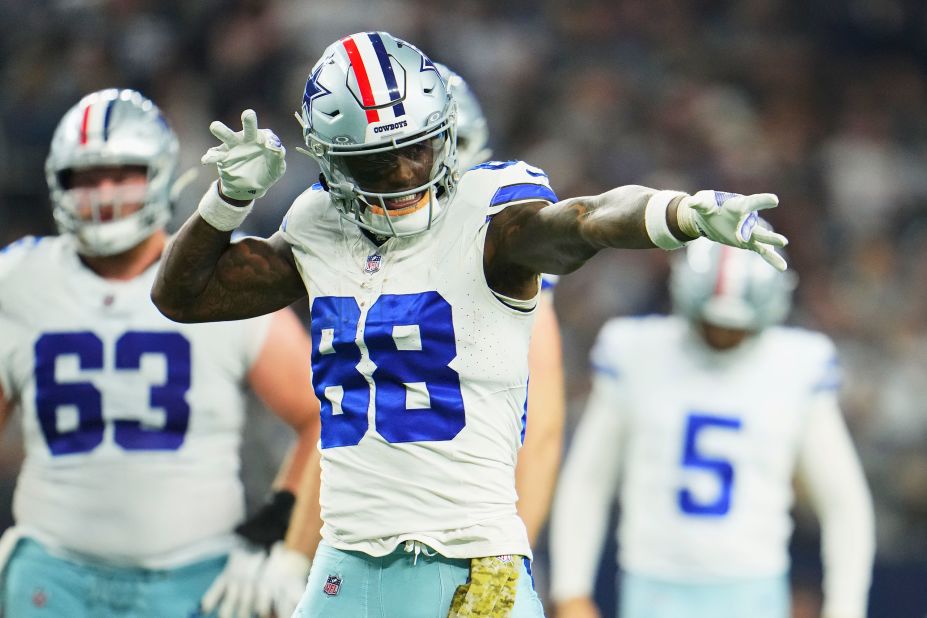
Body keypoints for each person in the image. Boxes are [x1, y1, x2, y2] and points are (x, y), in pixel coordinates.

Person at [151, 31, 788, 617]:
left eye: (417, 149)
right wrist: (226, 202)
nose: (405, 177)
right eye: (379, 161)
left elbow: (588, 218)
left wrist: (682, 211)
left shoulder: (490, 221)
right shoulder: (320, 227)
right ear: (331, 159)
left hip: (470, 562)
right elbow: (182, 297)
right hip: (345, 560)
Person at [248, 62, 571, 618]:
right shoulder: (347, 254)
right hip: (367, 553)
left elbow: (538, 438)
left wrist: (503, 565)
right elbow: (346, 436)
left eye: (431, 145)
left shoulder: (500, 253)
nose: (407, 170)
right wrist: (296, 555)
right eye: (383, 154)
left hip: (461, 547)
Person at [0, 88, 320, 618]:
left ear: (159, 174)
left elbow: (323, 412)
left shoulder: (217, 278)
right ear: (58, 181)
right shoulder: (18, 280)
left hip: (196, 577)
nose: (104, 192)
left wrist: (281, 536)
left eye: (121, 172)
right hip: (51, 576)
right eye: (87, 176)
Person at [548, 240, 875, 618]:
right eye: (712, 323)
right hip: (653, 581)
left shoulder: (797, 365)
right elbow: (589, 479)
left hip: (752, 585)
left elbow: (844, 503)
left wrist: (845, 608)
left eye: (737, 326)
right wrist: (571, 589)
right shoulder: (637, 351)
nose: (722, 334)